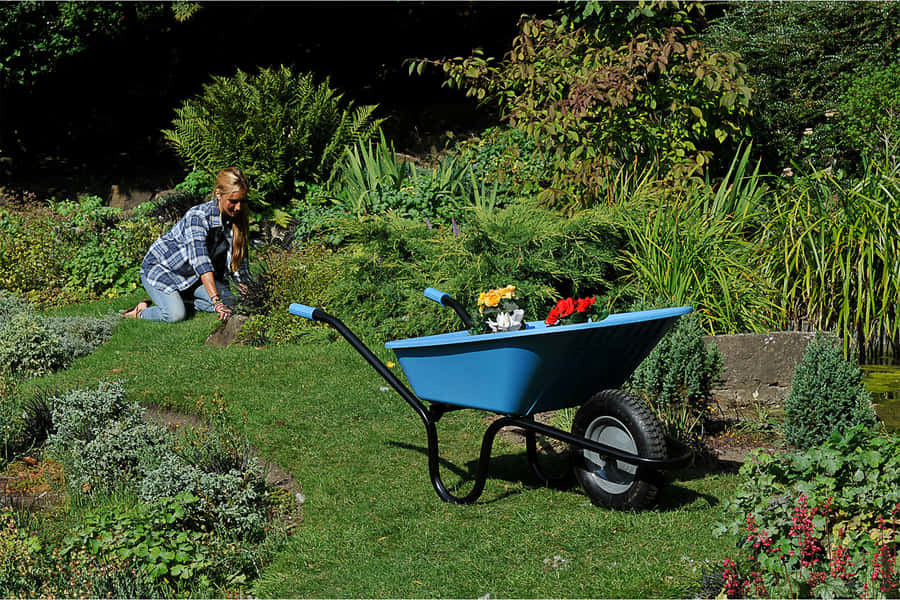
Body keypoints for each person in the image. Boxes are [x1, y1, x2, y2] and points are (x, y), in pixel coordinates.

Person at [124, 167, 251, 322]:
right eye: (233, 201)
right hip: (162, 269)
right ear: (218, 194)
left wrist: (251, 297)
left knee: (233, 304)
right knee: (176, 315)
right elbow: (201, 262)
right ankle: (140, 312)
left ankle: (181, 300)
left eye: (242, 201)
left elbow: (240, 267)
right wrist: (217, 302)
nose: (238, 207)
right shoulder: (198, 217)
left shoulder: (237, 220)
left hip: (192, 277)